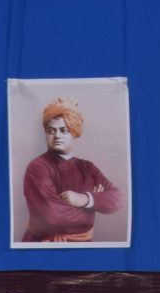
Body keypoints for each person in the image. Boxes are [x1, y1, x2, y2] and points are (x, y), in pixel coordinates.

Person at [19, 97, 123, 242]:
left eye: (64, 130)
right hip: (43, 244)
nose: (57, 136)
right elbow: (52, 216)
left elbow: (118, 199)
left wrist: (84, 199)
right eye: (51, 131)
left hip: (82, 246)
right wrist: (93, 208)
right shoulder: (38, 167)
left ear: (74, 132)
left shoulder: (88, 168)